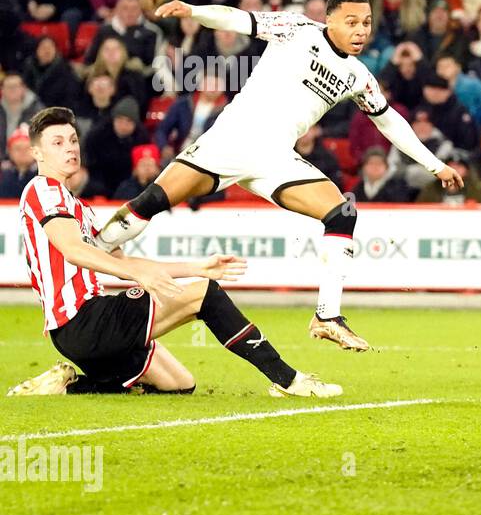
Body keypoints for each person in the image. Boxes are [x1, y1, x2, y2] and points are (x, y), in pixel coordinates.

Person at [94, 0, 464, 353]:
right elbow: (238, 19)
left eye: (366, 23)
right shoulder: (297, 28)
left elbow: (390, 122)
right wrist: (193, 10)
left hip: (275, 158)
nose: (361, 30)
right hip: (229, 142)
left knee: (341, 213)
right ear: (329, 19)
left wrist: (436, 165)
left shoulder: (359, 76)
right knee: (150, 202)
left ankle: (327, 317)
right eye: (351, 22)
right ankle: (87, 254)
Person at [8, 106, 340, 399]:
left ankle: (69, 386)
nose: (70, 148)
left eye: (73, 140)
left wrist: (197, 267)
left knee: (179, 383)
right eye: (58, 143)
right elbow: (72, 250)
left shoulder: (79, 206)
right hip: (83, 321)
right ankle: (288, 380)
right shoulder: (42, 190)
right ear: (37, 153)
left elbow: (123, 261)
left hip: (84, 331)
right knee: (205, 296)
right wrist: (140, 275)